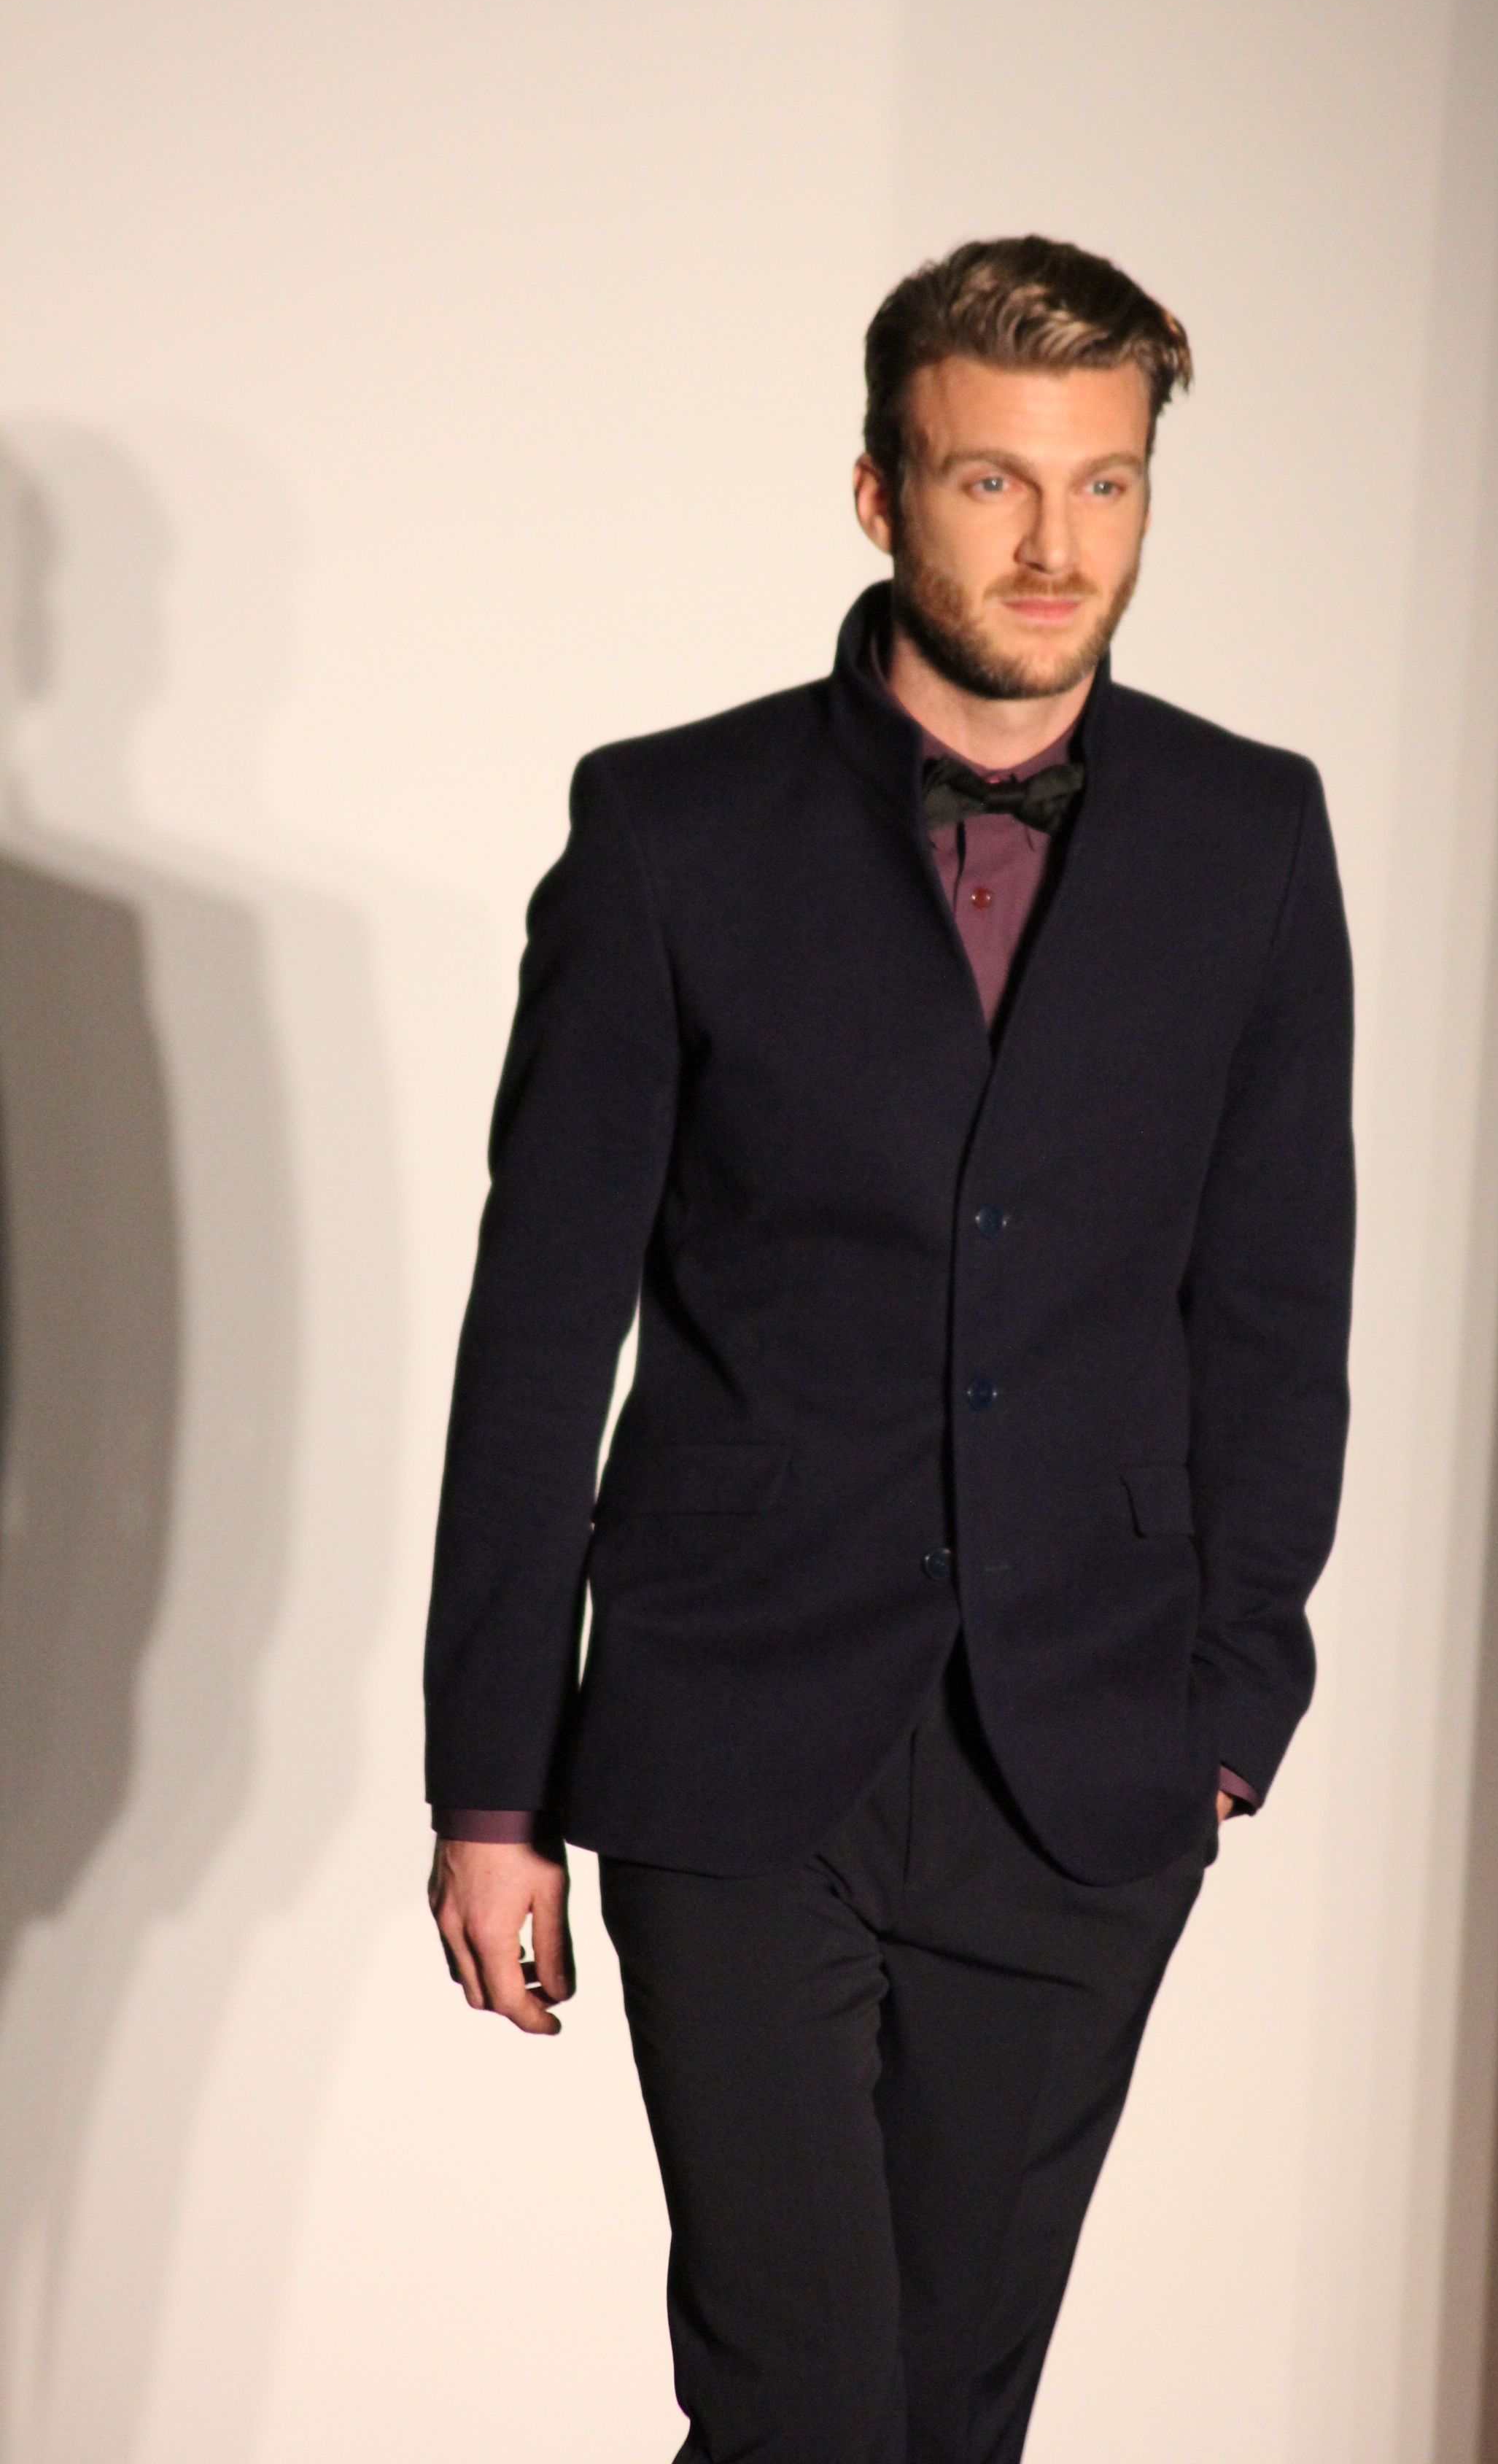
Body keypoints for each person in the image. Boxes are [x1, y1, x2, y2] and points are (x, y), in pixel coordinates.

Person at [424, 235, 1355, 2464]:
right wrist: (493, 1783)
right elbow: (539, 1329)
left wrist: (1234, 1705)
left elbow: (1277, 1300)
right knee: (806, 2411)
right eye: (990, 481)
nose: (1054, 545)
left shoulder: (1249, 833)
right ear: (878, 494)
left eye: (1105, 483)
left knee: (948, 2421)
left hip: (1090, 1758)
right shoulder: (672, 829)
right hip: (738, 1734)